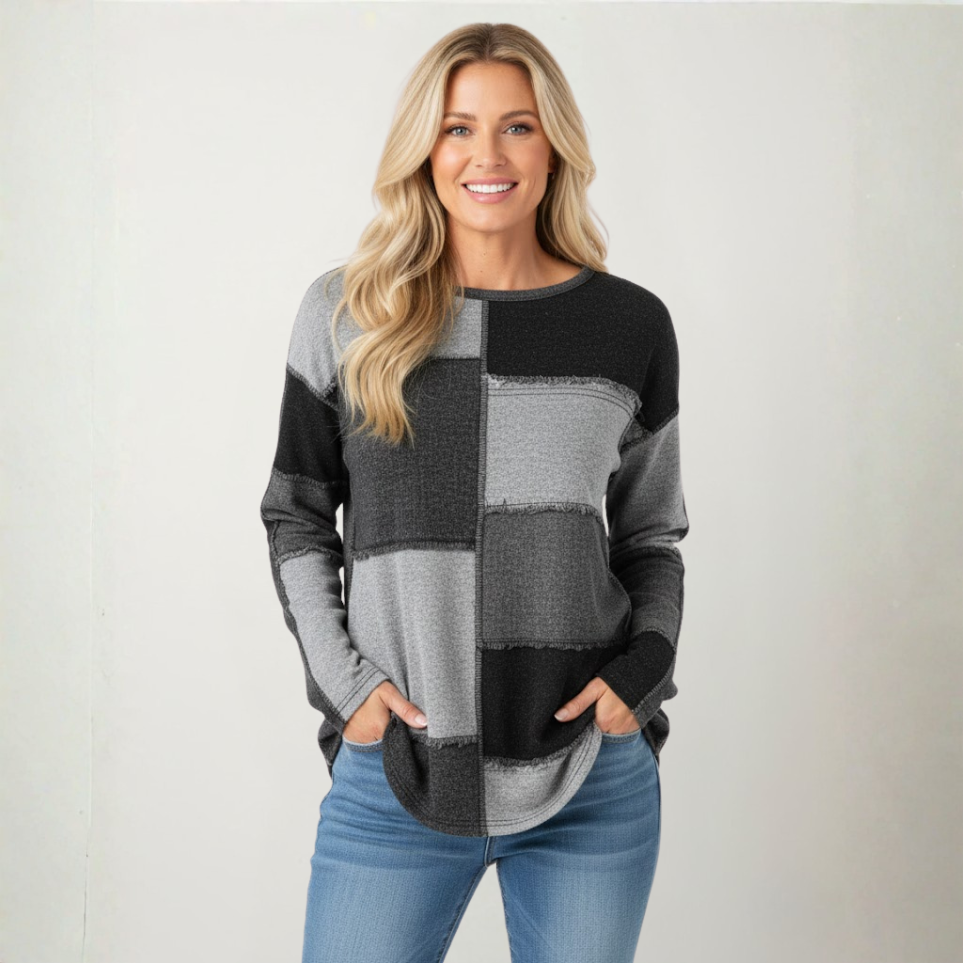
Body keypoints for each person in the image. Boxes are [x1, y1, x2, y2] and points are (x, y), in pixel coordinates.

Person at [259, 21, 689, 963]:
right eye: (457, 128)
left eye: (516, 126)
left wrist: (638, 676)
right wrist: (349, 689)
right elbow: (296, 514)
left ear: (554, 147)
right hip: (399, 773)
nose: (485, 155)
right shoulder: (346, 315)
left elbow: (651, 539)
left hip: (588, 778)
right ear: (424, 147)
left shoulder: (628, 325)